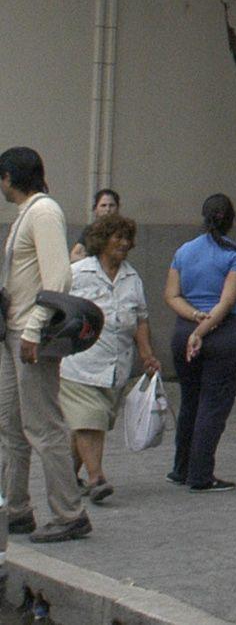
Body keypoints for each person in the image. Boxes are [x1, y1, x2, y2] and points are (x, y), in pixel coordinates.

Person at [0, 146, 90, 544]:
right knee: (12, 425)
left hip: (28, 332)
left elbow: (58, 280)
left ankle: (69, 513)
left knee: (43, 425)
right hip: (15, 330)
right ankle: (16, 509)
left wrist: (35, 329)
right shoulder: (29, 214)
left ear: (8, 177)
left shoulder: (43, 212)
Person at [60, 213, 160, 503]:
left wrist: (147, 355)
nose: (124, 243)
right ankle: (96, 479)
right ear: (102, 240)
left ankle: (64, 476)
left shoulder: (132, 278)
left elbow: (140, 319)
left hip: (116, 367)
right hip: (79, 363)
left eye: (127, 238)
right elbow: (56, 305)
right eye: (117, 237)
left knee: (90, 422)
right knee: (90, 420)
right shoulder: (78, 273)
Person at [164, 194, 236, 492]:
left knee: (190, 400)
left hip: (183, 330)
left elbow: (171, 295)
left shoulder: (184, 252)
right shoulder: (235, 255)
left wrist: (193, 319)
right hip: (223, 335)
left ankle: (181, 467)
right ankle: (201, 474)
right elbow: (227, 302)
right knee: (213, 405)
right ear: (230, 219)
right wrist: (202, 331)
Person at [70, 188, 119, 262]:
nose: (108, 209)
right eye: (103, 205)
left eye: (111, 205)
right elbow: (74, 255)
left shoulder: (122, 230)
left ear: (117, 208)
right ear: (96, 209)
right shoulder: (91, 230)